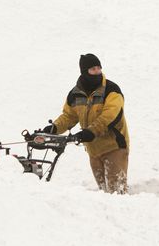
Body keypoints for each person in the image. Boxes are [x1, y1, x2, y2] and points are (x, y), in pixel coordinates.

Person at [42, 54, 130, 194]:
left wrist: (91, 131)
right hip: (94, 151)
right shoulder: (75, 93)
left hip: (114, 147)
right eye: (93, 69)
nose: (97, 72)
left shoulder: (111, 90)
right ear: (84, 71)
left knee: (116, 192)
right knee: (103, 193)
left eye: (98, 68)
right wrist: (55, 127)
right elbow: (69, 116)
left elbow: (110, 115)